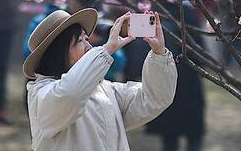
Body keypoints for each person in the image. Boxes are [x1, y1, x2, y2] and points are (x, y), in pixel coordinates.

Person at [25, 8, 177, 150]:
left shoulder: (105, 89)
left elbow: (154, 98)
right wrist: (107, 49)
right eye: (80, 41)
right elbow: (71, 94)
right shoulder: (42, 94)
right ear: (59, 52)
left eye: (87, 39)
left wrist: (159, 54)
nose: (89, 47)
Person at [145, 1, 205, 151]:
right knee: (193, 136)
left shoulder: (154, 14)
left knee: (169, 138)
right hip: (188, 79)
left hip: (163, 77)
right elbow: (200, 51)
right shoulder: (187, 16)